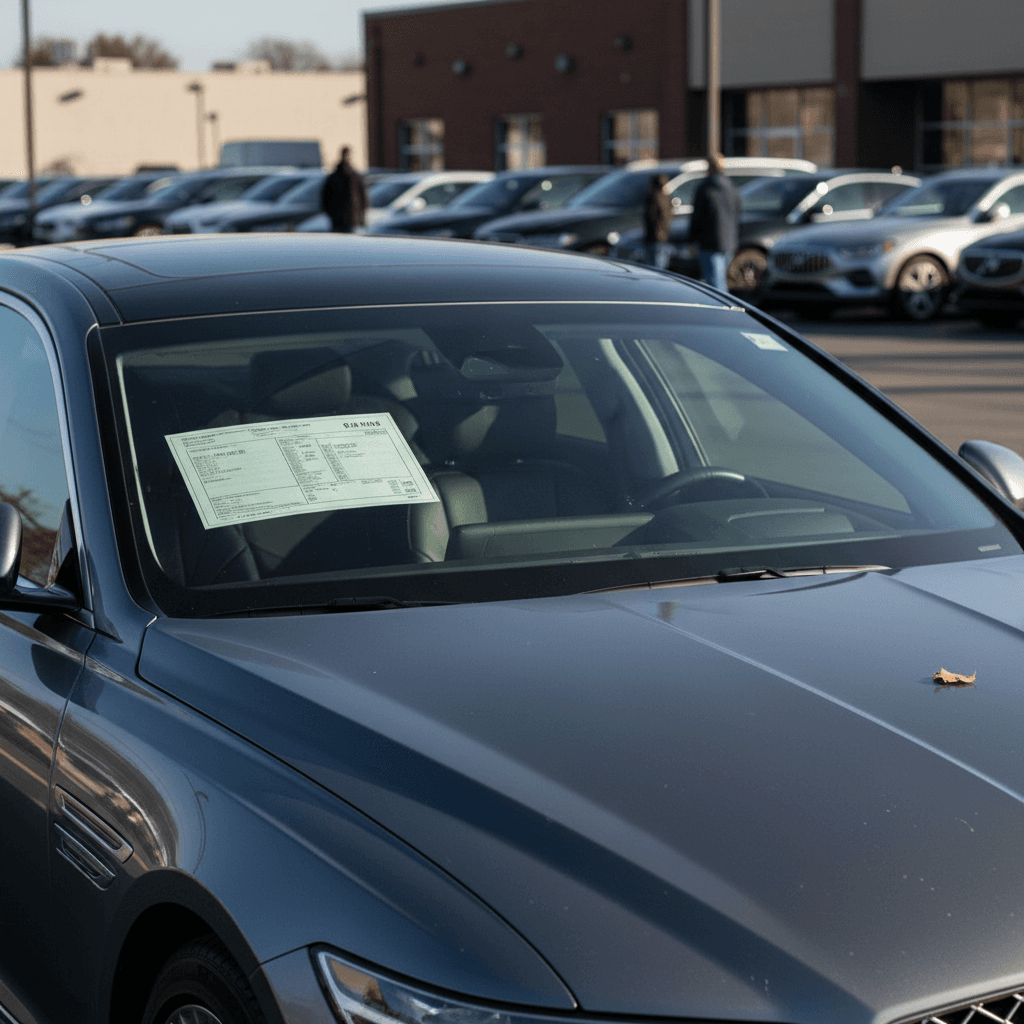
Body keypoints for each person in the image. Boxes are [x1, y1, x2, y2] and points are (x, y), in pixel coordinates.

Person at [687, 153, 741, 292]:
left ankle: (721, 311)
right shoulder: (731, 188)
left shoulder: (705, 188)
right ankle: (726, 308)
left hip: (709, 241)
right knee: (721, 279)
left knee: (713, 283)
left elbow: (697, 217)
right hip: (729, 241)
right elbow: (737, 214)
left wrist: (692, 240)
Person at [321, 146, 367, 233]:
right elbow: (326, 198)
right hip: (339, 220)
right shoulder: (335, 177)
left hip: (351, 220)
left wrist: (361, 217)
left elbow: (362, 198)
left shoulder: (354, 177)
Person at [643, 173, 674, 269]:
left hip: (655, 239)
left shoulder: (653, 199)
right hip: (663, 238)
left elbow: (651, 218)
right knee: (661, 268)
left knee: (654, 268)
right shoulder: (666, 199)